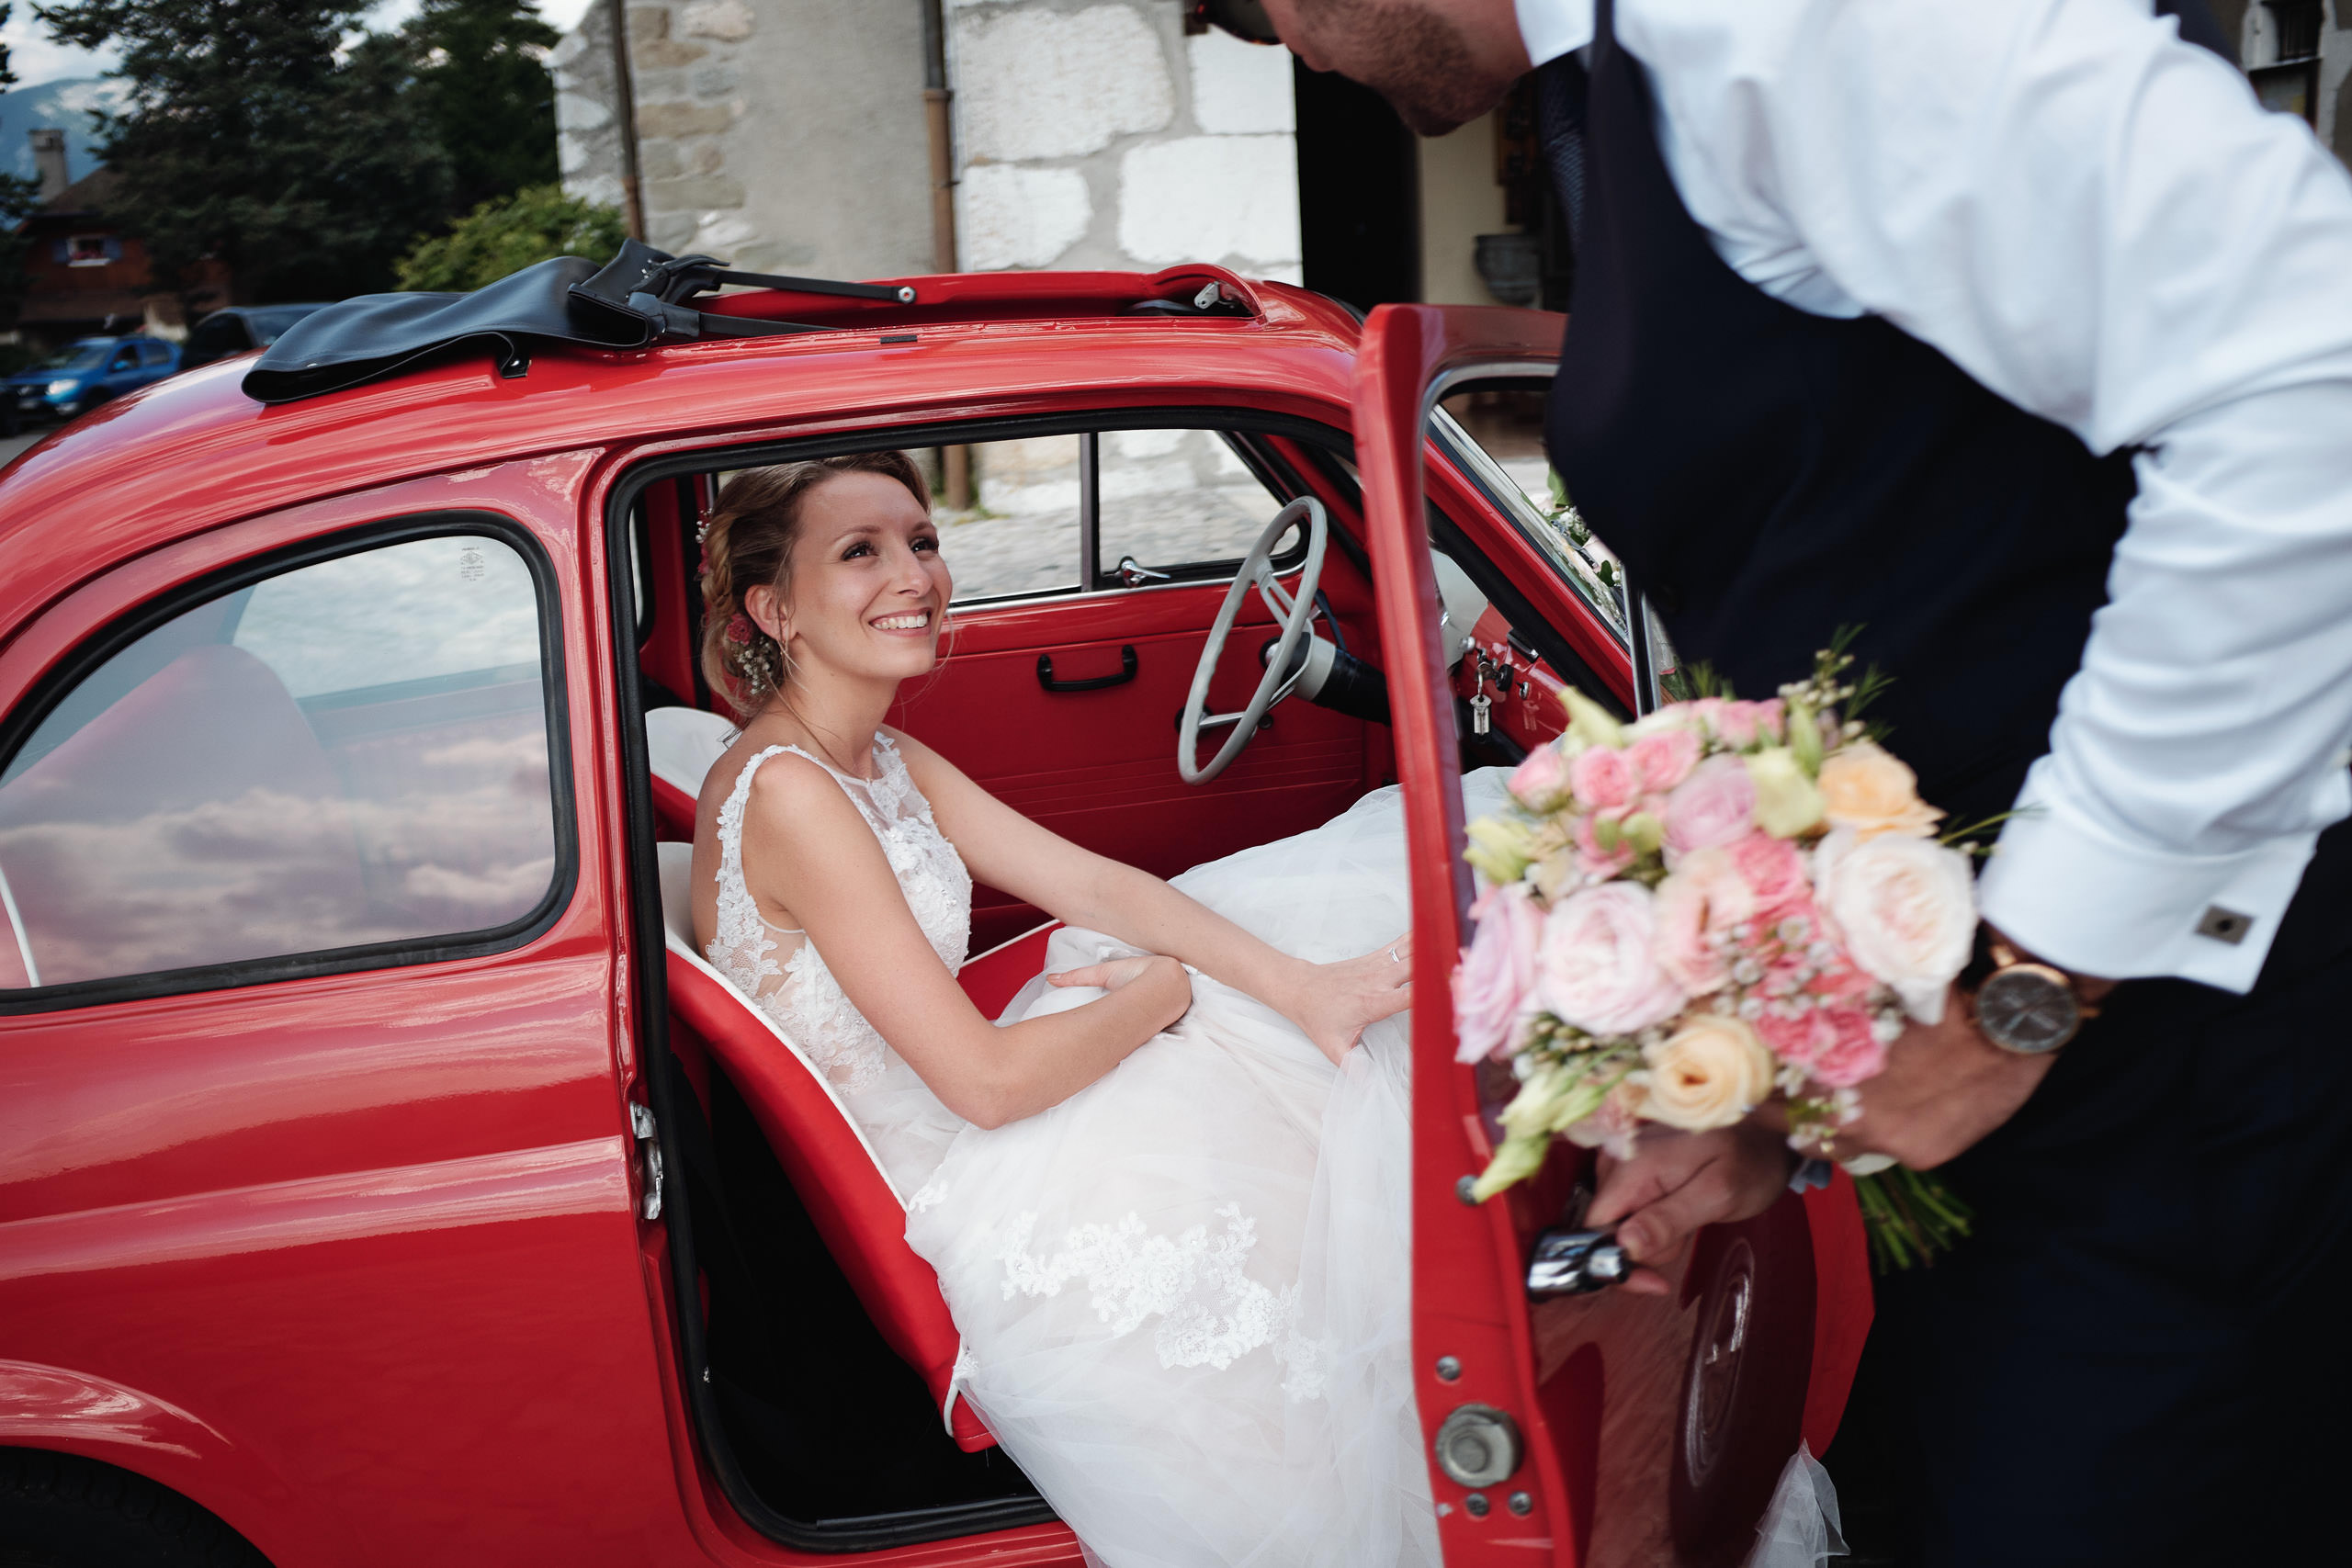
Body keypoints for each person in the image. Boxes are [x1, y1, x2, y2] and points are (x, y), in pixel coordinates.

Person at [1254, 0, 2352, 1562]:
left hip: (2170, 1080)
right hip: (2015, 1110)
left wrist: (2019, 993)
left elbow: (2307, 365)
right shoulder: (1642, 78)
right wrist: (1786, 1081)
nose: (1284, 42)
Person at [685, 452, 1802, 1566]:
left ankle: (1567, 1225)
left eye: (922, 541)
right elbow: (986, 1085)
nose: (914, 575)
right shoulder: (791, 792)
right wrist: (1167, 993)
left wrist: (1296, 985)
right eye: (861, 552)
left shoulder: (874, 757)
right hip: (963, 1157)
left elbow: (1093, 884)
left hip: (972, 1077)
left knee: (1300, 951)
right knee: (1281, 1032)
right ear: (773, 608)